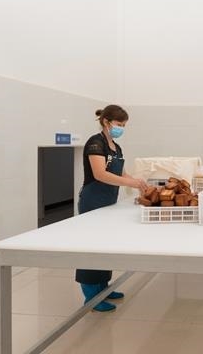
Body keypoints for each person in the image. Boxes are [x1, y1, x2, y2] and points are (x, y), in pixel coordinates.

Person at [75, 105, 148, 312]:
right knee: (91, 247)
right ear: (106, 122)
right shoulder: (95, 143)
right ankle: (91, 296)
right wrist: (131, 183)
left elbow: (122, 174)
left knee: (105, 245)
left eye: (124, 125)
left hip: (108, 202)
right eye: (118, 124)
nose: (121, 129)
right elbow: (100, 174)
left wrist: (140, 183)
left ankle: (103, 288)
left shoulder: (116, 147)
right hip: (92, 201)